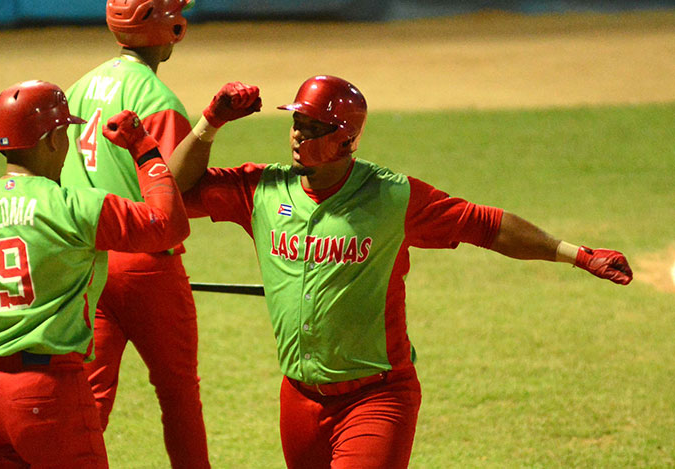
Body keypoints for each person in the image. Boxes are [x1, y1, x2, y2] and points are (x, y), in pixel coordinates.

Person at [167, 75, 634, 468]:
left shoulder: (392, 197)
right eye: (296, 123)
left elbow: (485, 225)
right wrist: (210, 123)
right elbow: (171, 191)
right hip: (299, 398)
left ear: (346, 138)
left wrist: (578, 254)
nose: (297, 135)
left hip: (376, 398)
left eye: (313, 127)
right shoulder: (262, 189)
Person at [0, 80, 189, 468]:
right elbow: (168, 225)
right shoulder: (74, 207)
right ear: (52, 139)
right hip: (49, 396)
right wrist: (143, 148)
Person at [59, 1, 213, 466]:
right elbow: (177, 184)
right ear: (170, 27)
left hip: (86, 264)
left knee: (88, 399)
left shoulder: (80, 87)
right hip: (147, 267)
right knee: (178, 394)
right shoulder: (154, 98)